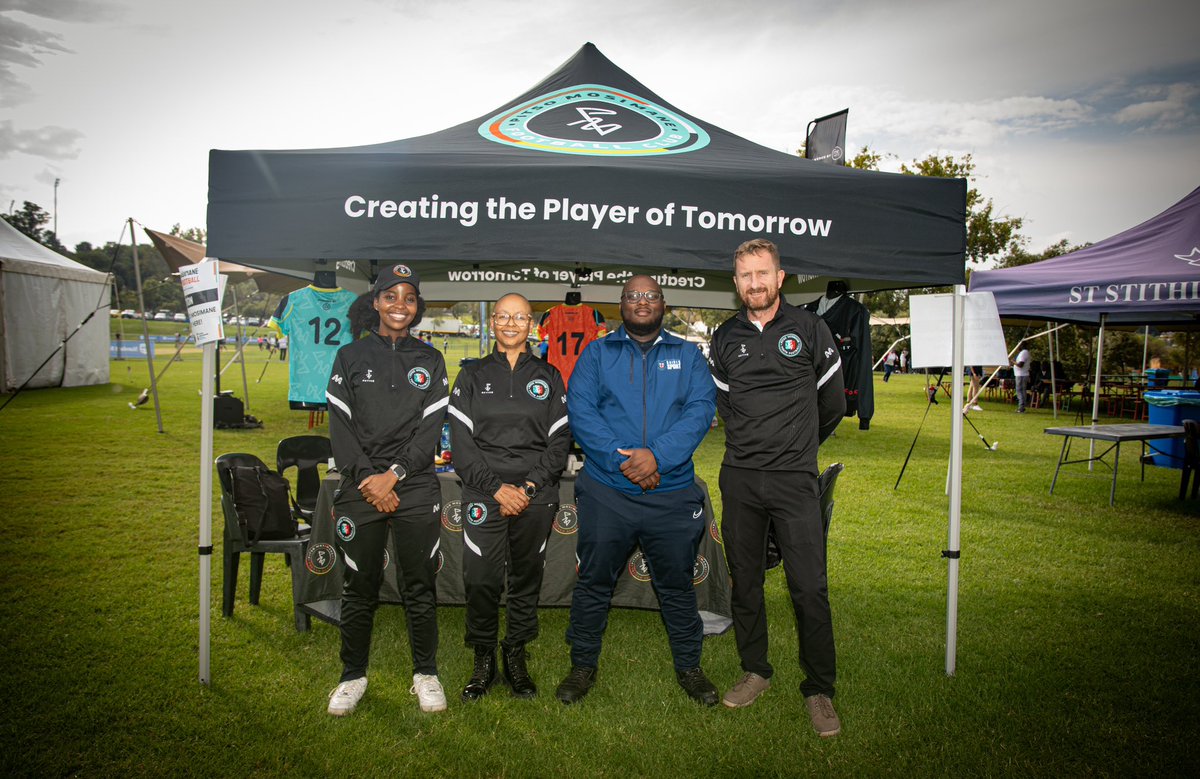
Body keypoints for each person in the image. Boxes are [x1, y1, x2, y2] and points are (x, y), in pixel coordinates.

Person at [556, 275, 719, 706]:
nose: (641, 302)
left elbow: (702, 409)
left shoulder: (688, 355)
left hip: (671, 493)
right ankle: (582, 665)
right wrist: (623, 460)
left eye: (649, 296)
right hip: (608, 491)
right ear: (621, 305)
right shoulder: (597, 352)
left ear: (663, 303)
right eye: (633, 296)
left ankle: (690, 667)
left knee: (677, 586)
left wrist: (657, 457)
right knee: (594, 582)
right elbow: (581, 409)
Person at [708, 238, 846, 738]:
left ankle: (820, 689)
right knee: (746, 580)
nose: (754, 284)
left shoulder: (811, 329)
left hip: (794, 479)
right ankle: (756, 670)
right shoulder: (724, 338)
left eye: (762, 274)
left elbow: (832, 405)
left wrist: (796, 448)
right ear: (736, 281)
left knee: (808, 586)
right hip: (741, 478)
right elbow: (726, 409)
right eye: (745, 276)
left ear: (780, 277)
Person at [323, 264, 450, 717]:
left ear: (417, 307)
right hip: (361, 487)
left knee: (420, 586)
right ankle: (352, 677)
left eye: (409, 298)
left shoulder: (431, 360)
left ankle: (426, 674)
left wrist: (392, 475)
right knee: (360, 586)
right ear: (375, 302)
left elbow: (429, 432)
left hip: (413, 486)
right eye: (391, 296)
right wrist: (369, 480)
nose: (400, 305)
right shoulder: (349, 357)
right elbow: (341, 429)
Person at [447, 293, 570, 702]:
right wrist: (497, 488)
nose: (511, 323)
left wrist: (528, 488)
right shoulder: (470, 375)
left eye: (520, 317)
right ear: (493, 322)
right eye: (503, 316)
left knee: (525, 578)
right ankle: (483, 657)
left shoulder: (550, 375)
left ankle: (515, 654)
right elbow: (461, 446)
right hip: (484, 493)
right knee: (480, 579)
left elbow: (559, 443)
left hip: (536, 495)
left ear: (532, 323)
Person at [1013, 347, 1032, 413]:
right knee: (1022, 390)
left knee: (1019, 391)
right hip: (1022, 374)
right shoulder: (1024, 352)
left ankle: (1021, 406)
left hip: (1021, 375)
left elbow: (1020, 364)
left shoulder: (1024, 353)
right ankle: (1022, 407)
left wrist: (1013, 362)